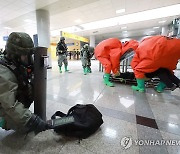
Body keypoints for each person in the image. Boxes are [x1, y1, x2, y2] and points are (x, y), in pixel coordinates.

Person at [0, 32, 50, 134]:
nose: (28, 59)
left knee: (29, 87)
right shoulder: (4, 73)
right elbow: (10, 105)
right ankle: (3, 120)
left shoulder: (15, 63)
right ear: (15, 54)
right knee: (23, 126)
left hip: (9, 101)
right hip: (5, 105)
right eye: (25, 55)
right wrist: (32, 120)